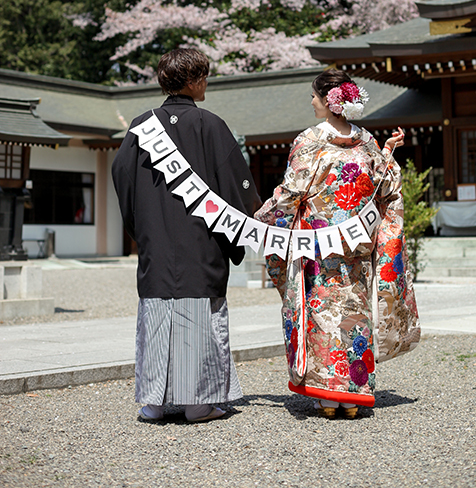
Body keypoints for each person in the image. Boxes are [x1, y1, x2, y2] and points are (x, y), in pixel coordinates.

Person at [255, 69, 420, 418]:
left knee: (323, 315)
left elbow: (292, 193)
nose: (311, 101)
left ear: (329, 102)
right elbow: (385, 186)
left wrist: (262, 217)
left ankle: (329, 395)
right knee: (354, 315)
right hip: (358, 244)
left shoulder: (310, 141)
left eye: (314, 96)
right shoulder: (368, 143)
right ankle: (354, 392)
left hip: (317, 245)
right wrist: (388, 153)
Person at [112, 48, 260, 423]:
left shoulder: (141, 127)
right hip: (200, 241)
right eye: (204, 76)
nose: (206, 83)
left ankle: (154, 402)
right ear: (193, 81)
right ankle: (198, 402)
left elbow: (122, 177)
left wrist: (140, 227)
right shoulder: (210, 125)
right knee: (199, 310)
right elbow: (237, 188)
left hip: (156, 242)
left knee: (158, 312)